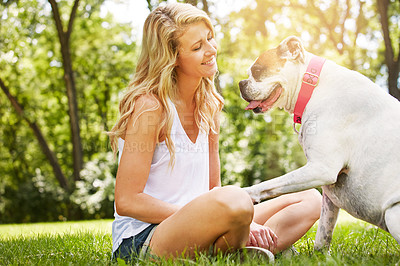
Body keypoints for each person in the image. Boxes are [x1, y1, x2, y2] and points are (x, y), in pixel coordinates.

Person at [108, 2, 322, 262]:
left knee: (309, 198)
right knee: (235, 200)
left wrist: (233, 218)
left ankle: (245, 250)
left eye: (209, 38)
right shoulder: (150, 107)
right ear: (172, 58)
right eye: (197, 47)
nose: (211, 50)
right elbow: (128, 201)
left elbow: (213, 188)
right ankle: (242, 245)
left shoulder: (209, 106)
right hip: (145, 239)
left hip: (207, 223)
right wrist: (233, 216)